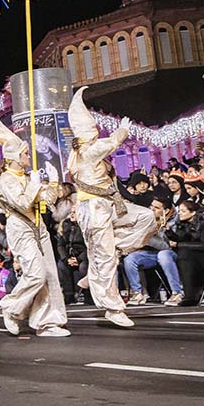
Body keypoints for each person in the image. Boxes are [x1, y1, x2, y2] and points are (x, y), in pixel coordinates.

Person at [66, 87, 154, 328]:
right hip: (94, 208)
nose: (96, 131)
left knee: (146, 217)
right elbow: (112, 142)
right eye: (92, 129)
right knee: (103, 256)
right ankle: (112, 308)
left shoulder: (85, 151)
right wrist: (123, 129)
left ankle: (103, 263)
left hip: (109, 204)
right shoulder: (86, 151)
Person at [0, 112, 69, 337]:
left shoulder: (27, 176)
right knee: (36, 274)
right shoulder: (6, 181)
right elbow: (22, 203)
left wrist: (53, 182)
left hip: (38, 227)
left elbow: (47, 200)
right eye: (24, 153)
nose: (28, 156)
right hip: (20, 228)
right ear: (14, 157)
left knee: (50, 276)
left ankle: (46, 322)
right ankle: (11, 306)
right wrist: (34, 184)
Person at [123, 198, 185, 306]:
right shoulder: (147, 220)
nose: (152, 209)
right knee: (130, 258)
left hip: (172, 253)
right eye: (151, 206)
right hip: (152, 253)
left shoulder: (173, 222)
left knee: (163, 255)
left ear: (166, 211)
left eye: (156, 208)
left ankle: (177, 292)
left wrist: (147, 236)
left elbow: (166, 246)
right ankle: (138, 293)